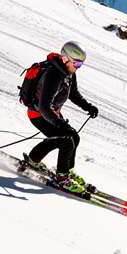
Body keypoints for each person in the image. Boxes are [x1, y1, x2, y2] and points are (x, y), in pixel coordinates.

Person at [19, 41, 100, 192]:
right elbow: (44, 106)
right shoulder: (53, 75)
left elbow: (73, 94)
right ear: (65, 59)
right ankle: (62, 178)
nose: (77, 68)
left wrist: (88, 107)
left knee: (73, 137)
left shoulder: (69, 73)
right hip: (39, 114)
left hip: (52, 113)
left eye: (80, 65)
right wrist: (60, 124)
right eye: (77, 64)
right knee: (66, 140)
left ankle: (40, 163)